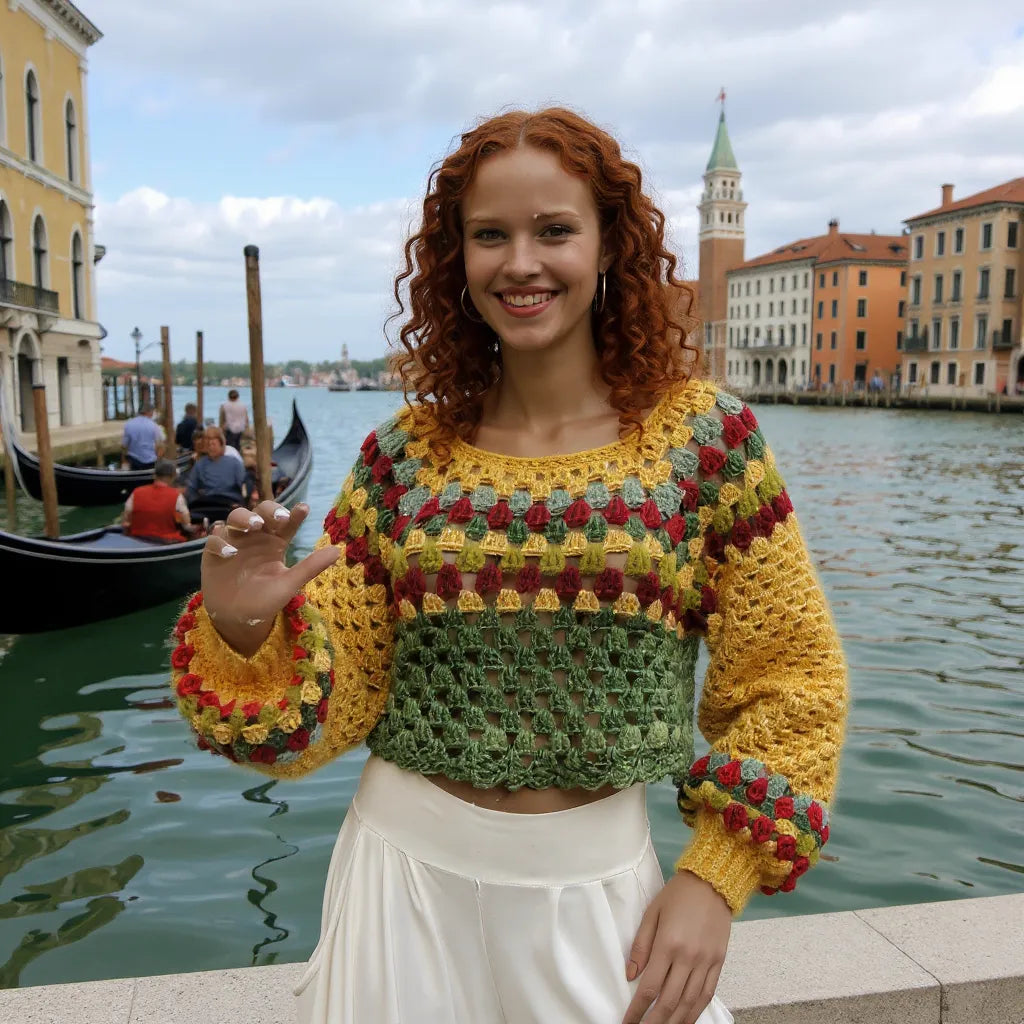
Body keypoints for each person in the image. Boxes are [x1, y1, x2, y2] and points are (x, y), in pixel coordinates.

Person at [170, 108, 848, 1024]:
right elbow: (328, 712)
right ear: (458, 261)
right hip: (399, 885)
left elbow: (792, 678)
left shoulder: (704, 443)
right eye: (491, 235)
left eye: (554, 230)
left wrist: (715, 878)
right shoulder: (401, 459)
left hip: (600, 896)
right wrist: (245, 624)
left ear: (611, 247)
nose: (520, 262)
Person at [122, 458, 192, 541]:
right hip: (164, 542)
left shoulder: (136, 492)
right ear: (173, 476)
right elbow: (186, 523)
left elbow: (126, 519)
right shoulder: (176, 496)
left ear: (155, 475)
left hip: (137, 539)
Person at [184, 426, 246, 512]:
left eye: (214, 444)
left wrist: (242, 503)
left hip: (230, 501)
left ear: (221, 444)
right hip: (208, 502)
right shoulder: (200, 464)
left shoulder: (234, 462)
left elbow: (243, 484)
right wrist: (194, 502)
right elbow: (191, 487)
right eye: (208, 444)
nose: (211, 447)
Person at [120, 403, 164, 470]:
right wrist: (158, 460)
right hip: (150, 462)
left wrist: (124, 462)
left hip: (133, 461)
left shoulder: (129, 424)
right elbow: (161, 446)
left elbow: (124, 446)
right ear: (150, 412)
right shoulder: (154, 426)